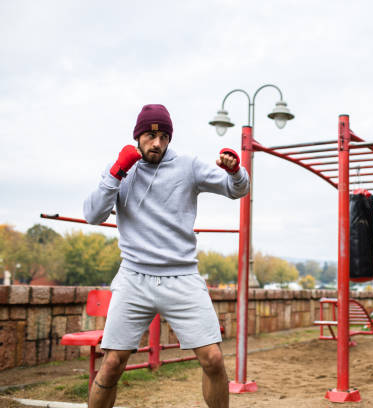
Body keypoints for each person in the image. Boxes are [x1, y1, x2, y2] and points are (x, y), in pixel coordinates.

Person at [83, 104, 249, 408]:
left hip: (181, 276)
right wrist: (117, 172)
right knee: (112, 363)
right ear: (138, 135)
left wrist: (236, 171)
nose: (157, 143)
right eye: (150, 135)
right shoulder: (121, 168)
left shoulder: (188, 166)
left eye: (164, 137)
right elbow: (93, 214)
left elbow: (237, 189)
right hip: (134, 276)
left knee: (213, 359)